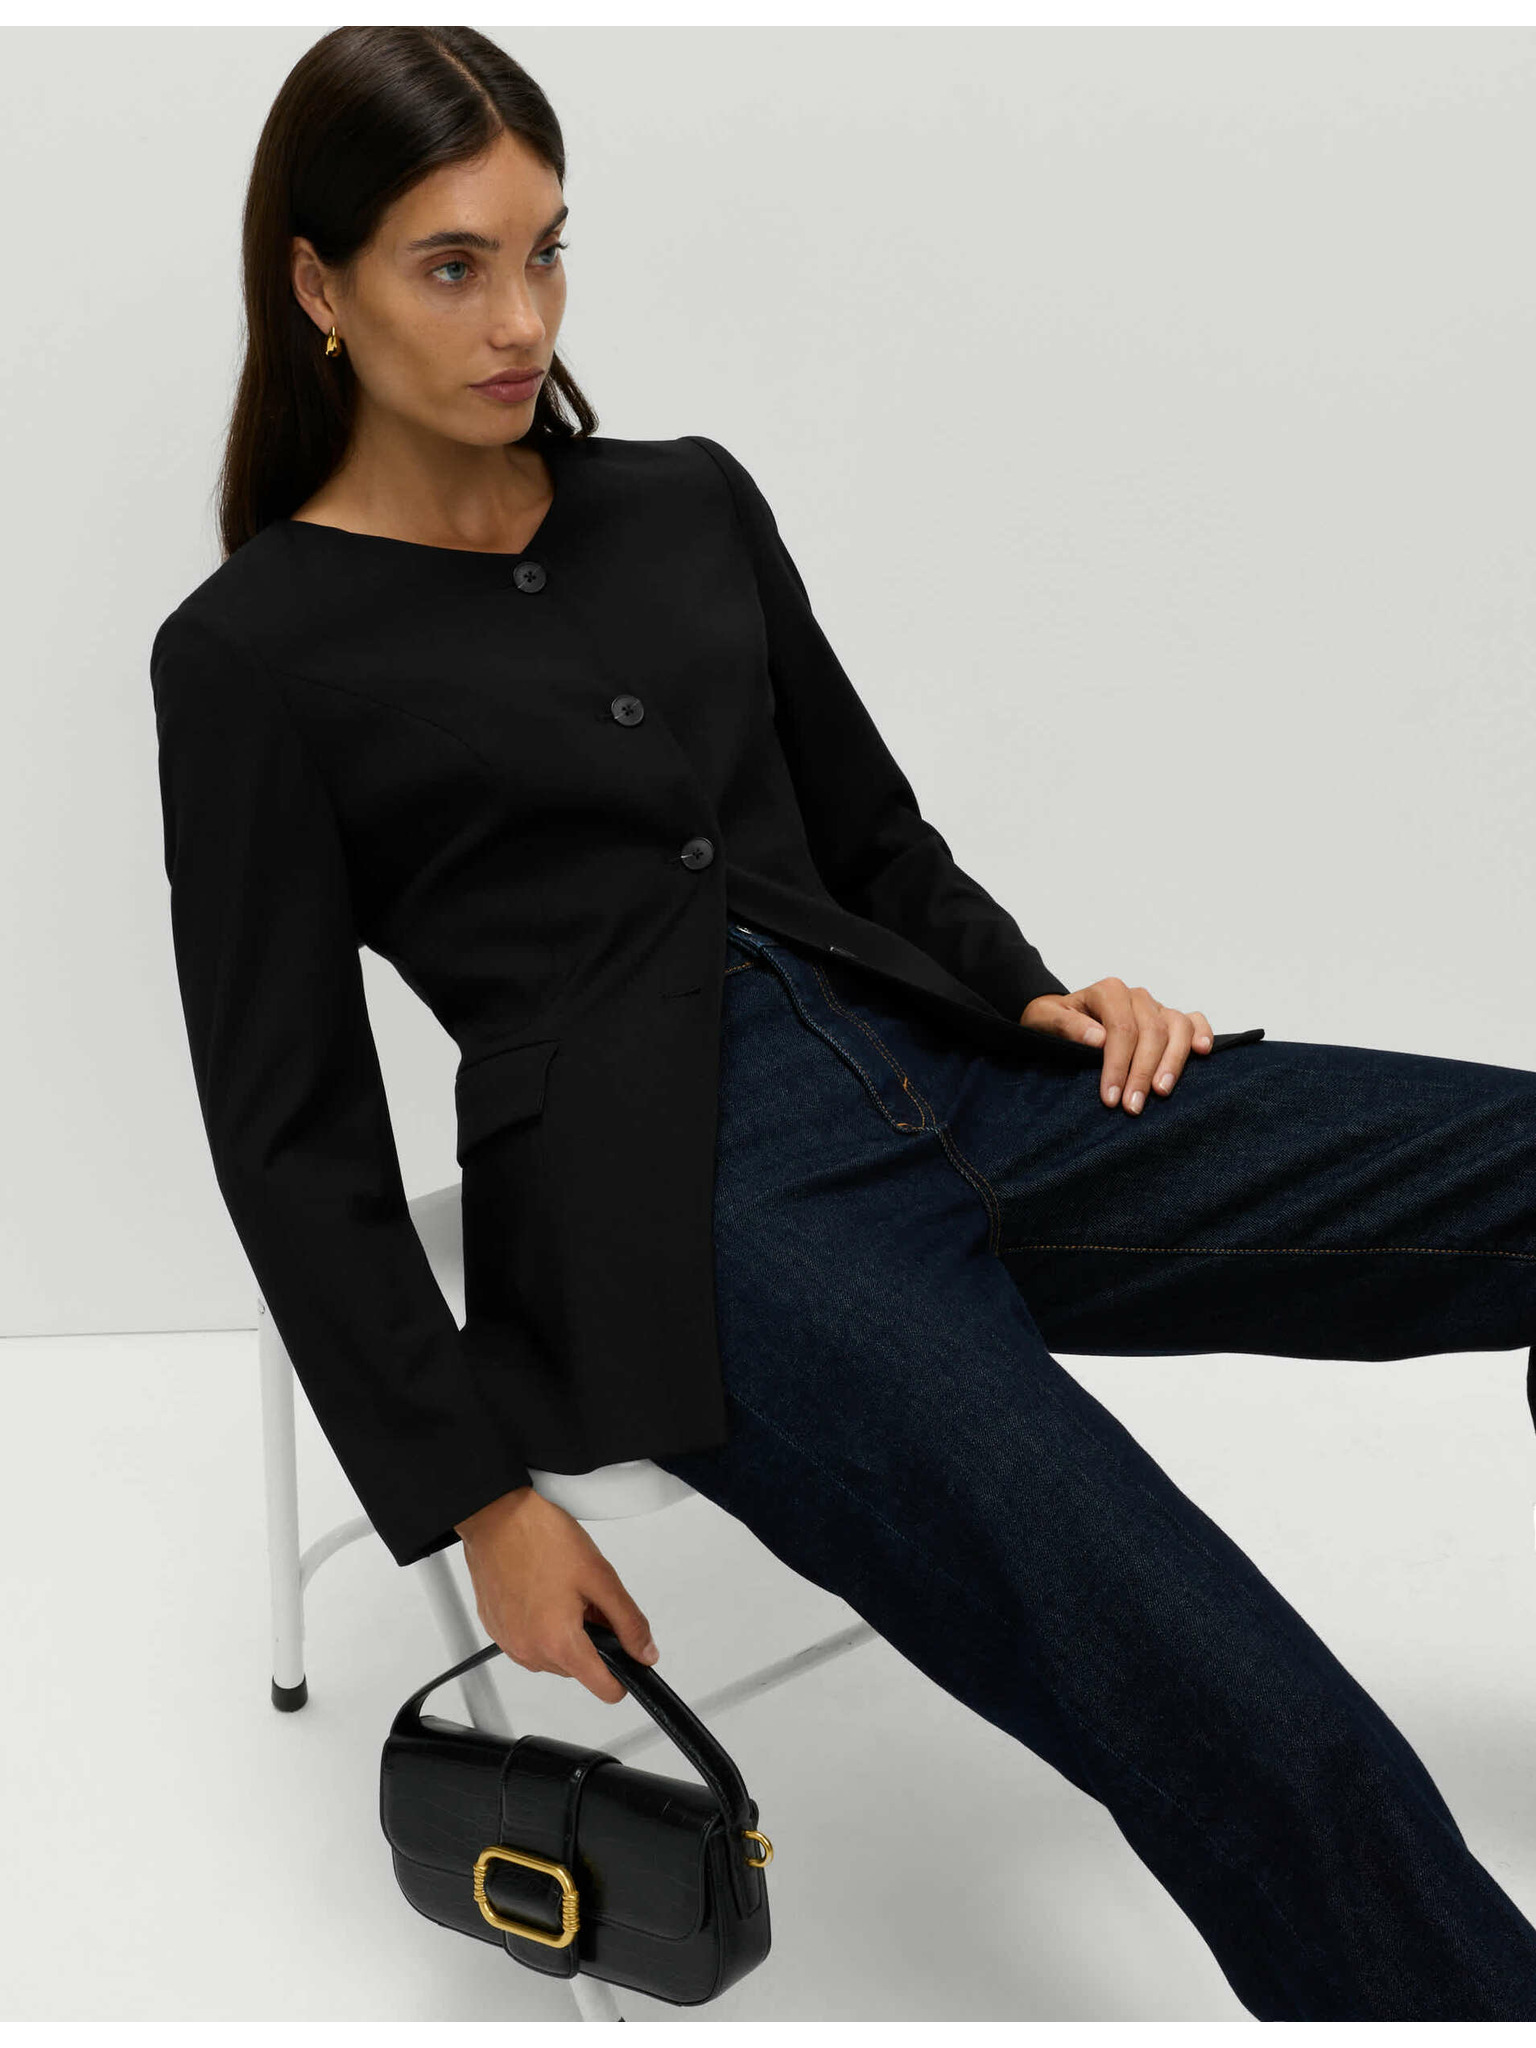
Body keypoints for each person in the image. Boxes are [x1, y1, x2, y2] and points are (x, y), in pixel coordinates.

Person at [149, 25, 1536, 2021]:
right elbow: (288, 1132)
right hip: (700, 1233)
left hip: (968, 1073)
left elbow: (873, 839)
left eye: (546, 252)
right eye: (454, 266)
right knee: (1232, 1687)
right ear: (318, 284)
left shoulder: (684, 504)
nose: (521, 318)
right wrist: (477, 1500)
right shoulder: (253, 656)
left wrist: (1039, 992)